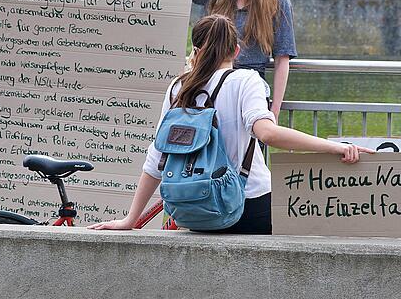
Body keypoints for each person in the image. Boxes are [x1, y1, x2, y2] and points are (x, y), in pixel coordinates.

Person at [89, 15, 373, 234]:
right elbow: (267, 133)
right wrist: (335, 147)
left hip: (194, 208)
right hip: (247, 205)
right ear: (236, 50)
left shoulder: (179, 87)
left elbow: (157, 158)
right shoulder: (245, 80)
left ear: (196, 49)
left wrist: (131, 219)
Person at [192, 0, 295, 121]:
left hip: (251, 91)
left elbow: (282, 58)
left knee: (247, 149)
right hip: (210, 88)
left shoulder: (276, 0)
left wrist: (275, 109)